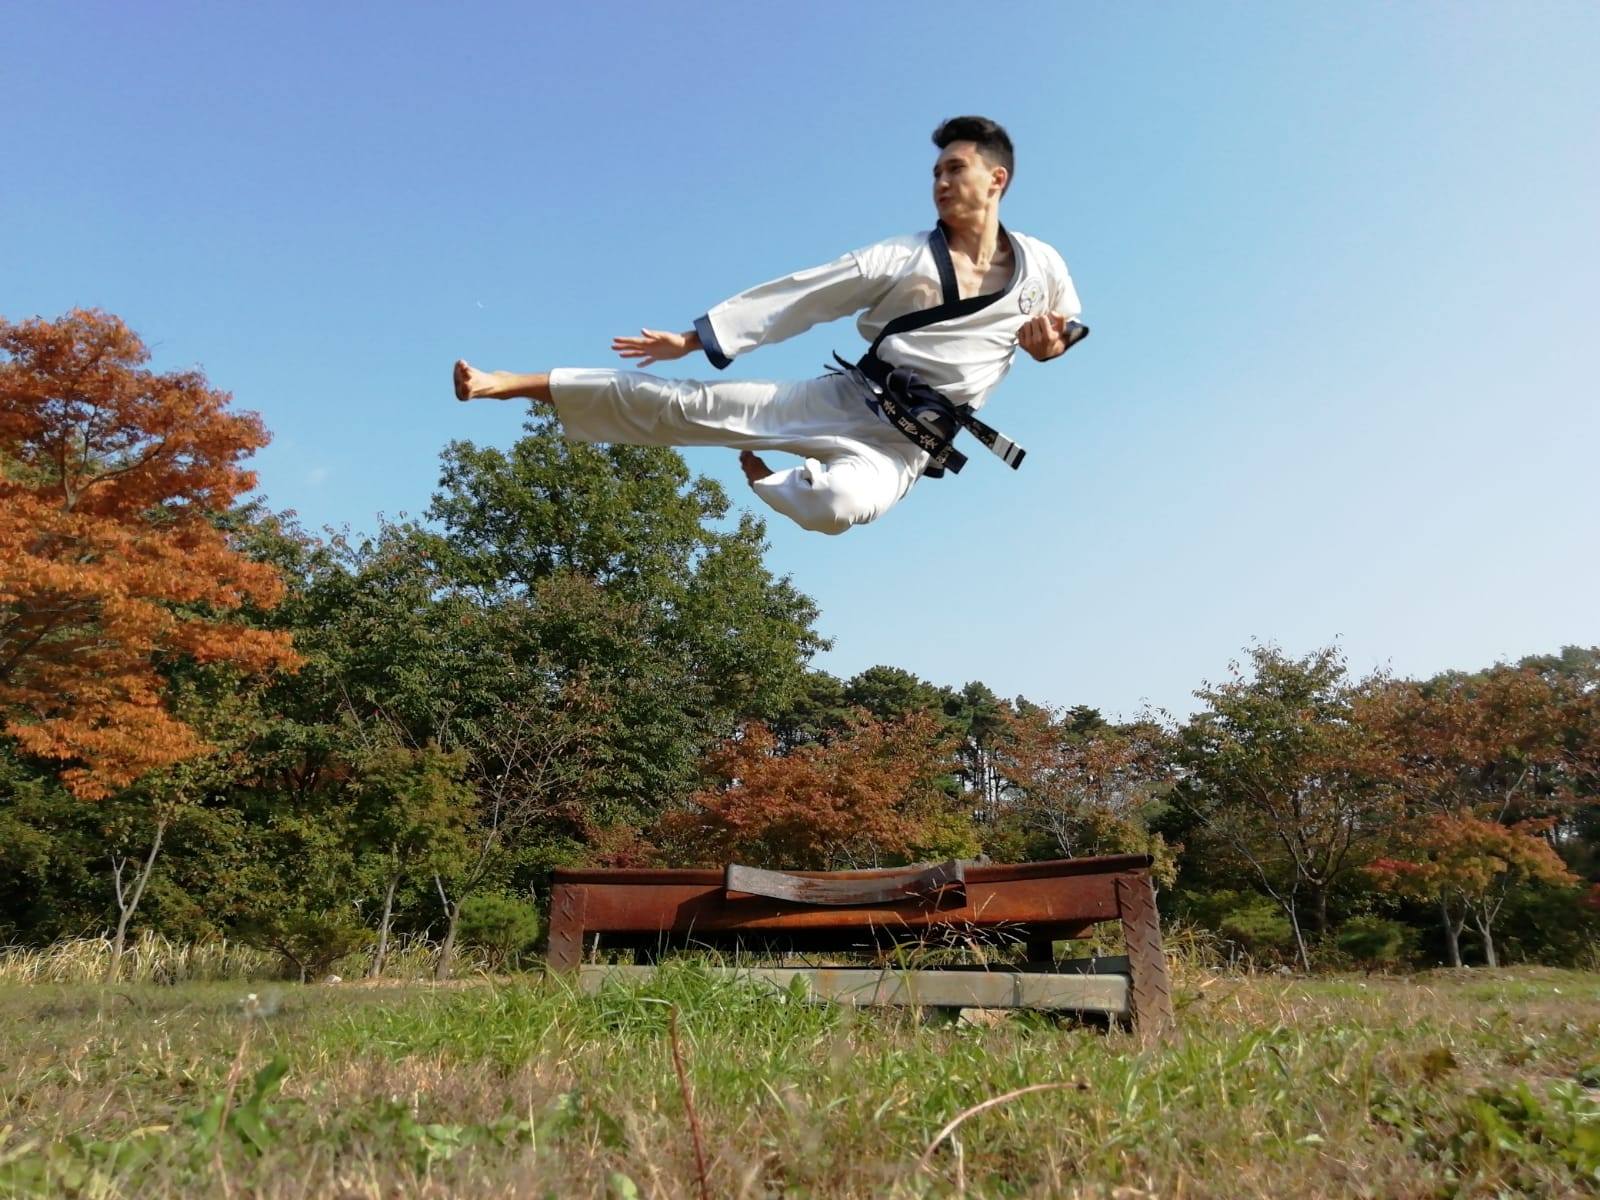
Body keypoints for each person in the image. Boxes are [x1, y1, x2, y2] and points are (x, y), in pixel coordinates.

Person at [453, 115, 1085, 535]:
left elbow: (1066, 329)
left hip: (907, 446)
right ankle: (508, 382)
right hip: (848, 398)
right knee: (685, 407)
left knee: (835, 507)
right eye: (936, 173)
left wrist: (1051, 345)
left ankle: (773, 485)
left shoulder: (1043, 265)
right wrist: (693, 339)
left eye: (955, 169)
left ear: (996, 179)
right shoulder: (901, 258)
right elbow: (800, 296)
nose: (941, 182)